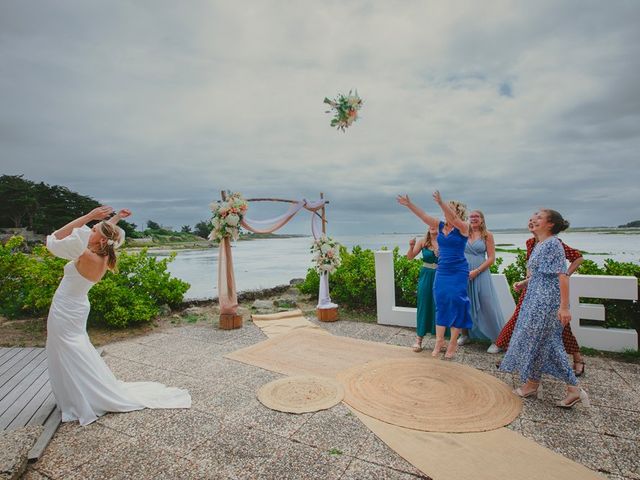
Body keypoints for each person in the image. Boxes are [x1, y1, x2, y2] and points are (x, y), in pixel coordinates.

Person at [46, 206, 191, 426]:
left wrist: (89, 216)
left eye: (93, 229)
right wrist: (116, 219)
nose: (89, 230)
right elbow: (107, 234)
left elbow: (56, 236)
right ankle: (80, 392)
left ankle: (81, 397)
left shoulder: (85, 254)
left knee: (67, 350)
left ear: (101, 241)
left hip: (65, 308)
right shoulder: (102, 257)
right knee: (73, 348)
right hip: (76, 307)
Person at [500, 210, 589, 408]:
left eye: (539, 217)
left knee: (549, 342)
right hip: (535, 298)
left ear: (550, 224)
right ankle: (532, 383)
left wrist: (564, 307)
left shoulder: (553, 244)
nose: (534, 219)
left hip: (547, 301)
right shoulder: (541, 244)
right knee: (536, 341)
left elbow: (562, 275)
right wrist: (525, 283)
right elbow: (542, 274)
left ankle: (574, 389)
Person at [397, 191, 472, 359]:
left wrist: (441, 203)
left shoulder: (464, 227)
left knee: (457, 305)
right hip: (442, 271)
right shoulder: (439, 226)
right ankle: (439, 341)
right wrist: (410, 205)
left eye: (450, 210)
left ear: (457, 213)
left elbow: (453, 218)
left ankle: (452, 342)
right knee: (441, 305)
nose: (446, 212)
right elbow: (423, 216)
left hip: (458, 270)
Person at [458, 210, 505, 353]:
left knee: (487, 304)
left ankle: (497, 340)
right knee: (463, 303)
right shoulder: (463, 233)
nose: (473, 219)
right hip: (463, 272)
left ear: (482, 219)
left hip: (481, 273)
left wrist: (477, 271)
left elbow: (491, 258)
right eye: (471, 217)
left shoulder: (487, 235)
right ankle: (465, 335)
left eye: (476, 216)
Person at [406, 226, 439, 352]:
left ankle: (440, 340)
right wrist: (411, 246)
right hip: (426, 274)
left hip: (440, 275)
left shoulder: (444, 241)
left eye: (435, 225)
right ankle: (419, 340)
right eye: (430, 225)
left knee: (439, 306)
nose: (432, 227)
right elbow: (410, 257)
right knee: (423, 304)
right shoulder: (422, 241)